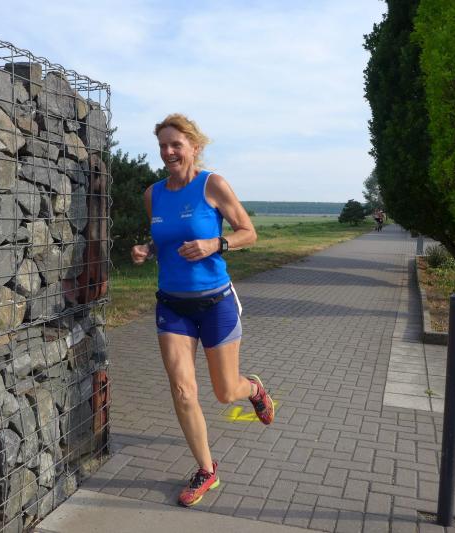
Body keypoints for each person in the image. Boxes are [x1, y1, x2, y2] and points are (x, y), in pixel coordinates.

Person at [131, 113, 274, 507]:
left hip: (215, 302)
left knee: (225, 392)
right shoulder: (153, 194)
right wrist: (148, 249)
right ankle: (206, 469)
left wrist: (216, 244)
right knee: (182, 390)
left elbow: (249, 232)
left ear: (194, 147)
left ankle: (253, 388)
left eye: (175, 144)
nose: (168, 152)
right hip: (172, 305)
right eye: (162, 145)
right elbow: (165, 239)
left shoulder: (212, 185)